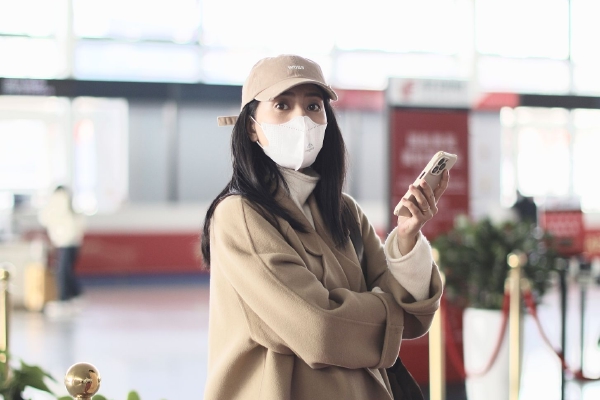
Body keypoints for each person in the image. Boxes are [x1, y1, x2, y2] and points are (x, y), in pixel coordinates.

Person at [201, 54, 448, 399]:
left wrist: (407, 237)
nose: (301, 119)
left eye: (313, 106)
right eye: (282, 105)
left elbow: (415, 316)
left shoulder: (345, 212)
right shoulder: (240, 215)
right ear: (251, 127)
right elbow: (320, 329)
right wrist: (388, 310)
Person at [38, 185, 85, 315]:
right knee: (64, 271)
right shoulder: (67, 206)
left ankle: (66, 299)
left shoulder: (62, 203)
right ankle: (73, 296)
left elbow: (46, 218)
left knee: (63, 271)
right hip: (66, 242)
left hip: (68, 242)